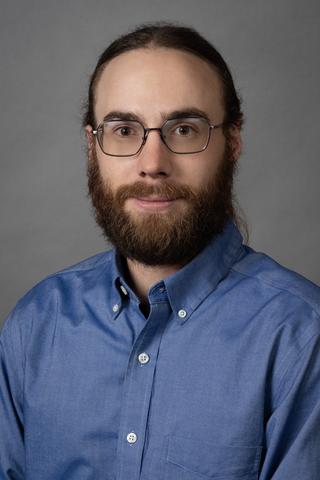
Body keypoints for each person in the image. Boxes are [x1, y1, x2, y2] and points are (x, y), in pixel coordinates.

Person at [1, 22, 320, 480]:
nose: (152, 164)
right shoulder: (35, 324)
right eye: (125, 130)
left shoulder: (301, 338)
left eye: (185, 129)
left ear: (233, 143)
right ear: (92, 148)